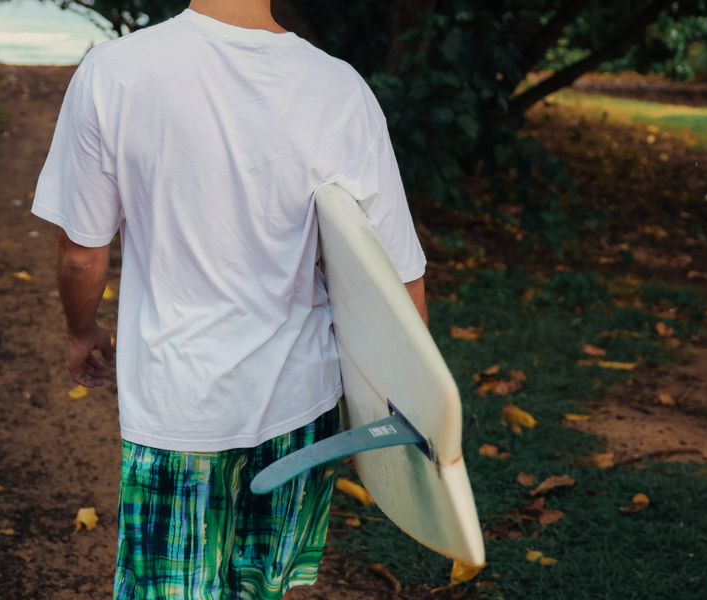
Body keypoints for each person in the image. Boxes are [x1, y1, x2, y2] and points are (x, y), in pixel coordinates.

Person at [31, 0, 427, 597]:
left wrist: (81, 332)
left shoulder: (114, 71)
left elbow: (82, 252)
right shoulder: (341, 88)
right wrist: (415, 407)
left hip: (180, 405)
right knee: (266, 589)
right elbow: (399, 276)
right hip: (302, 403)